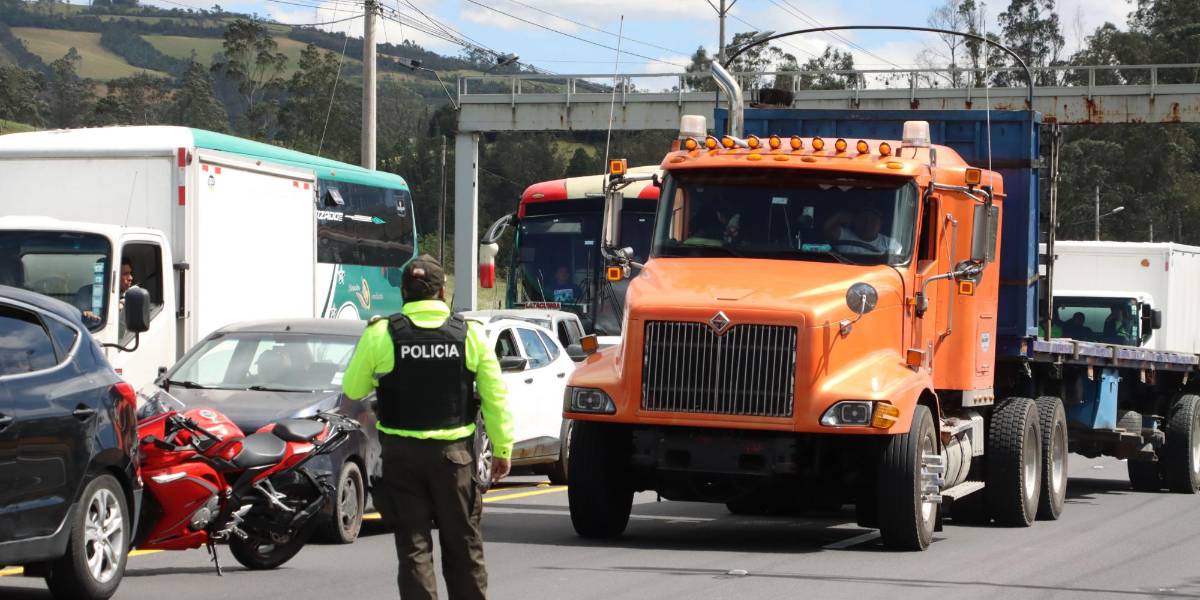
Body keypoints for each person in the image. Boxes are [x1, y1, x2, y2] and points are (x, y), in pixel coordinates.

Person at [342, 254, 513, 600]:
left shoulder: (381, 333)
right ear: (441, 292)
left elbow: (353, 390)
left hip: (402, 459)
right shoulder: (469, 335)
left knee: (414, 549)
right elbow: (496, 399)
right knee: (464, 547)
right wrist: (503, 448)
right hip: (455, 459)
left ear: (404, 291)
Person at [77, 257, 133, 325]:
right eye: (125, 274)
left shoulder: (133, 295)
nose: (130, 278)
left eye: (130, 273)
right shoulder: (86, 292)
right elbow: (76, 316)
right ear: (109, 275)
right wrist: (86, 314)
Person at [823, 208, 902, 255]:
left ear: (880, 224)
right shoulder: (842, 235)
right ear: (855, 220)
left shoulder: (891, 244)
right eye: (863, 219)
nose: (867, 224)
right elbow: (825, 230)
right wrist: (839, 216)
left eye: (873, 220)